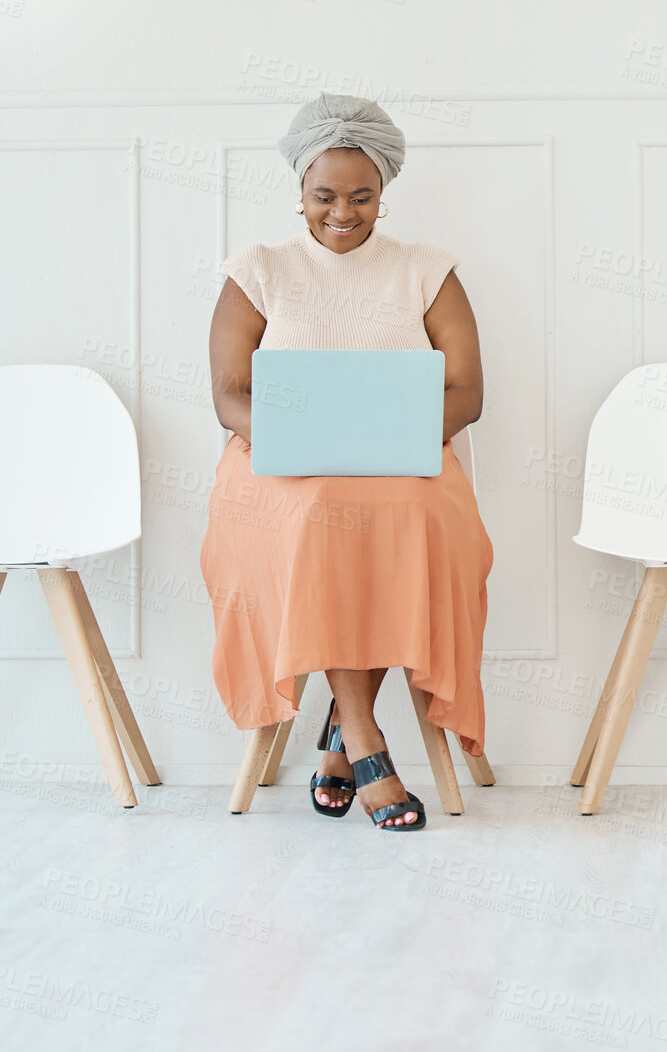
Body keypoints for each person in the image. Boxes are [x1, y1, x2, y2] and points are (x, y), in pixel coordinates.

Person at [199, 92, 493, 830]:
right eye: (324, 195)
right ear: (299, 193)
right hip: (279, 471)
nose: (343, 212)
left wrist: (396, 442)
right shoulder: (258, 269)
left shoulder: (427, 269)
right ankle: (363, 736)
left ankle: (343, 734)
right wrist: (289, 445)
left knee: (403, 517)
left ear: (384, 194)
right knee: (319, 516)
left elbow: (466, 393)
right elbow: (230, 393)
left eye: (362, 197)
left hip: (406, 465)